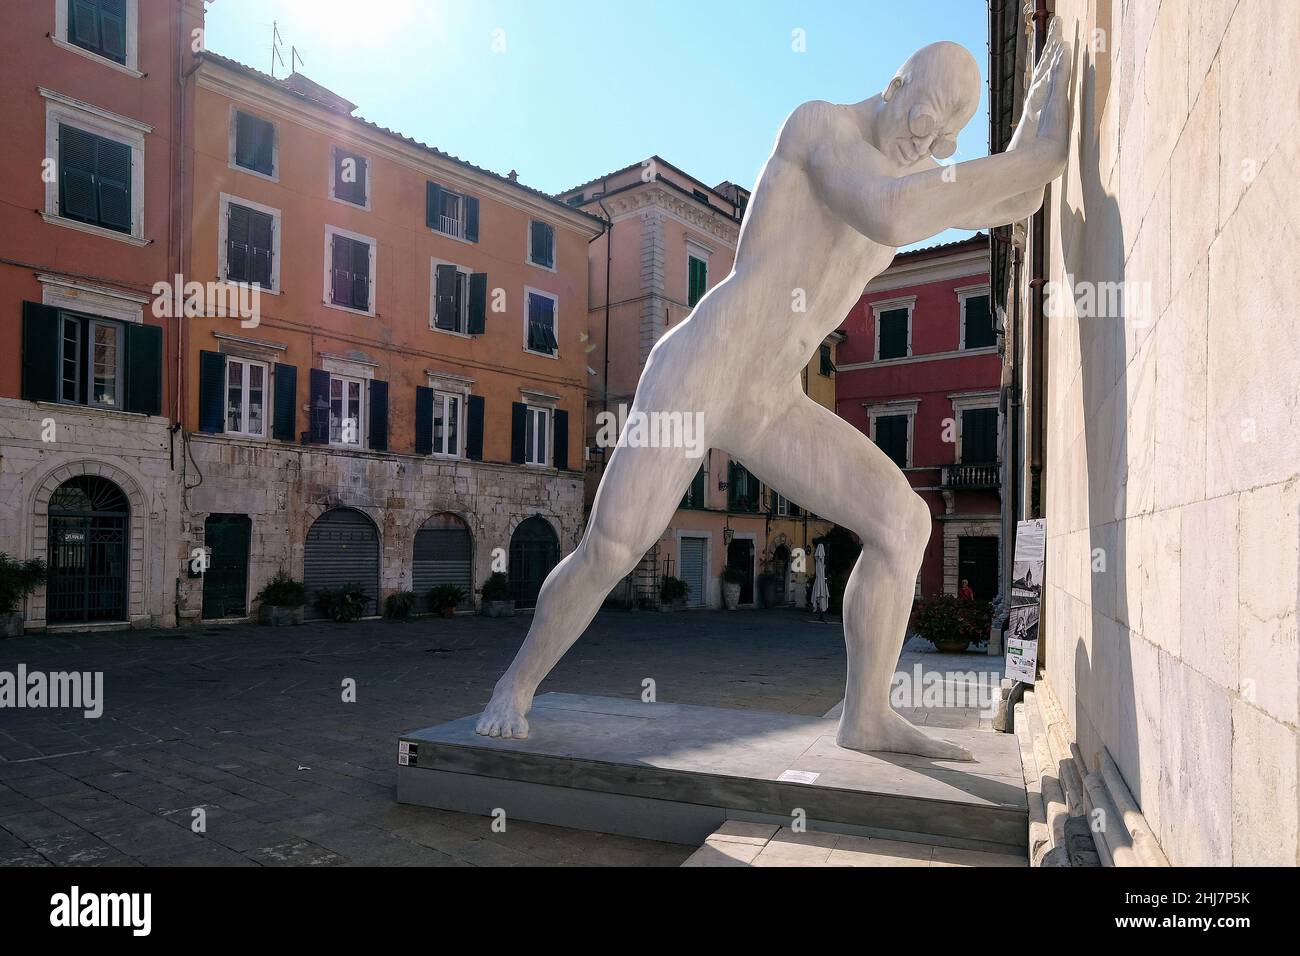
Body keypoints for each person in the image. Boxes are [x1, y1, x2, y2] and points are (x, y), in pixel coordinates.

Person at [477, 21, 1071, 759]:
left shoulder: (906, 169)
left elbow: (995, 205)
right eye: (924, 121)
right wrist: (1026, 159)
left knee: (903, 523)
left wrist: (1034, 155)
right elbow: (892, 209)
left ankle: (867, 715)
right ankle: (516, 685)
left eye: (945, 142)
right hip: (703, 365)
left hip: (768, 399)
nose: (928, 147)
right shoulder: (820, 128)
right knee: (613, 548)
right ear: (895, 87)